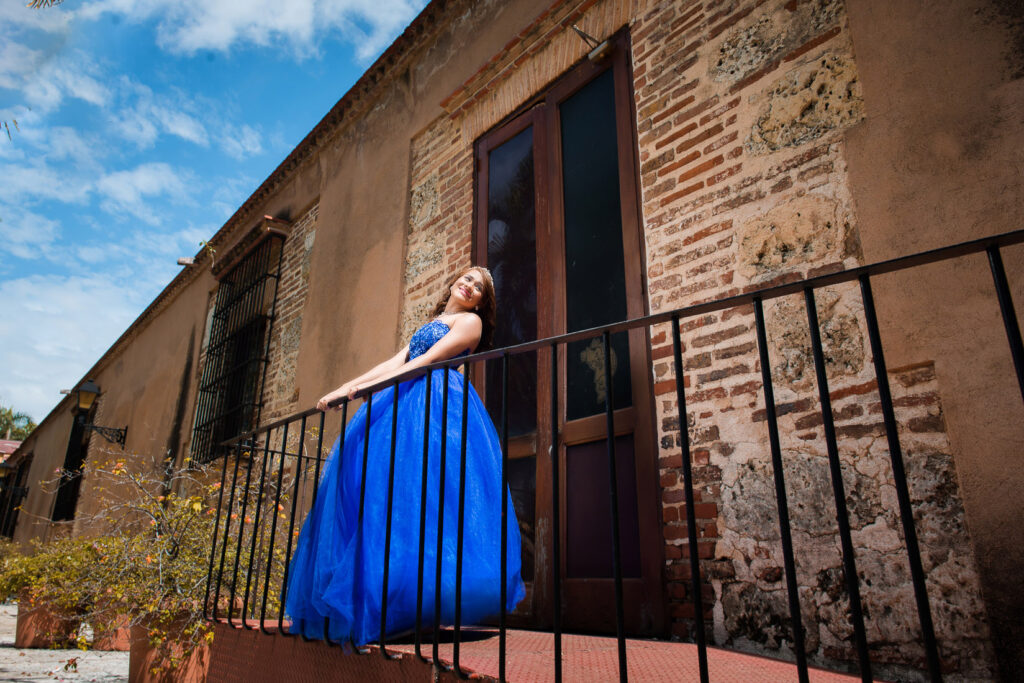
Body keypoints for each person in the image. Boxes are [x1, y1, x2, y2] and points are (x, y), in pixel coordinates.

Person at [284, 266, 526, 645]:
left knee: (428, 503)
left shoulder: (470, 323)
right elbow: (395, 362)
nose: (469, 286)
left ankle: (425, 607)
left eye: (478, 287)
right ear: (453, 282)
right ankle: (393, 605)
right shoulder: (435, 320)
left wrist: (374, 388)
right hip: (404, 400)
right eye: (466, 279)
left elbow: (425, 362)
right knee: (388, 499)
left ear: (482, 301)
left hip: (436, 407)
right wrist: (346, 388)